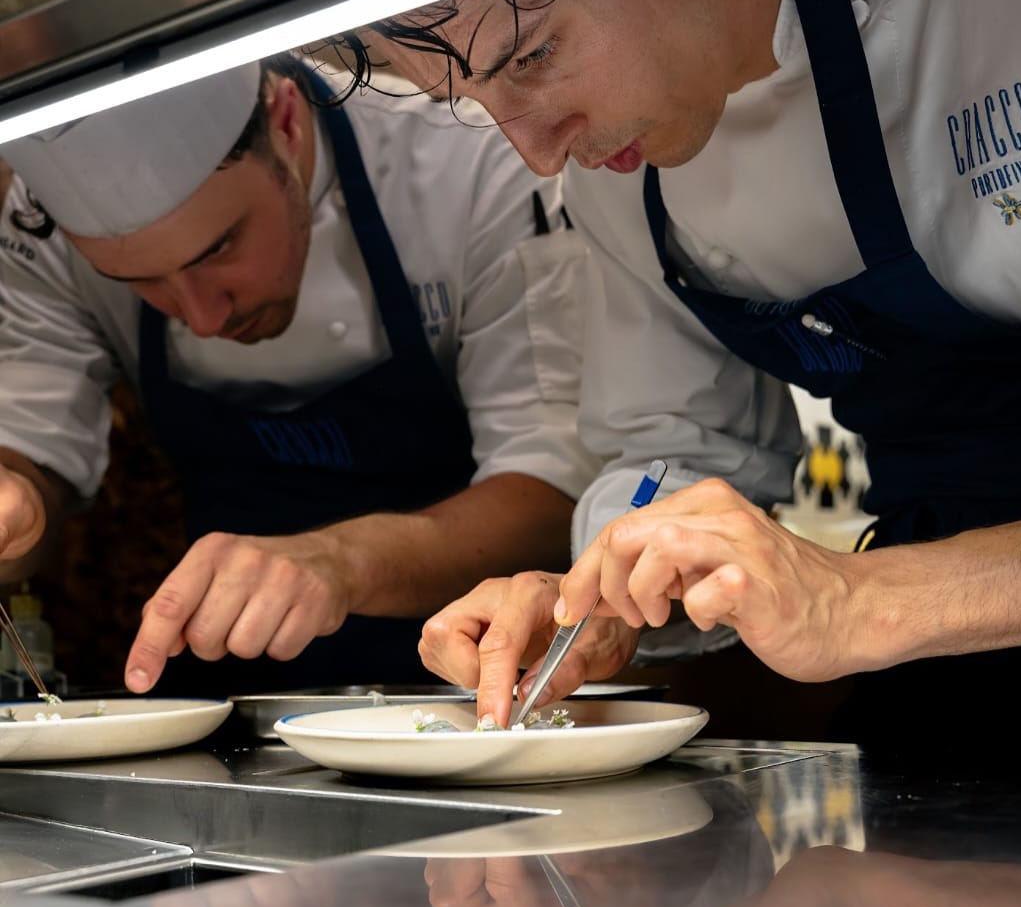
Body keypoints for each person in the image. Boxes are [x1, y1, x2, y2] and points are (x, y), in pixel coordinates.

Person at [357, 0, 1021, 746]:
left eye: (533, 57)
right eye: (475, 102)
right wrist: (607, 595)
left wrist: (858, 598)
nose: (535, 154)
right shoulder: (622, 167)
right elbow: (668, 452)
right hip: (949, 698)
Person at [0, 53, 602, 695]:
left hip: (476, 689)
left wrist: (339, 563)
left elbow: (549, 499)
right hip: (225, 705)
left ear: (285, 122)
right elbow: (32, 452)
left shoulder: (471, 166)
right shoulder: (39, 232)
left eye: (219, 248)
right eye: (139, 281)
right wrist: (18, 498)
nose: (201, 319)